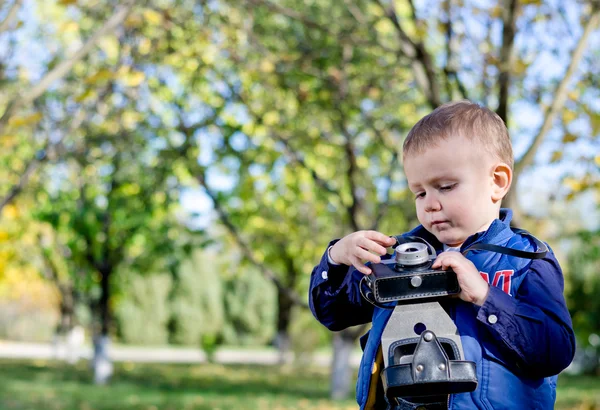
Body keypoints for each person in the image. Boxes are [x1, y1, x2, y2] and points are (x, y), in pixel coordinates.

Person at [309, 100, 575, 410]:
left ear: (497, 181)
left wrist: (485, 296)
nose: (430, 204)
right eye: (419, 192)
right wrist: (336, 258)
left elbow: (555, 351)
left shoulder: (525, 259)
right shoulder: (396, 260)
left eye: (446, 186)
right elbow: (333, 313)